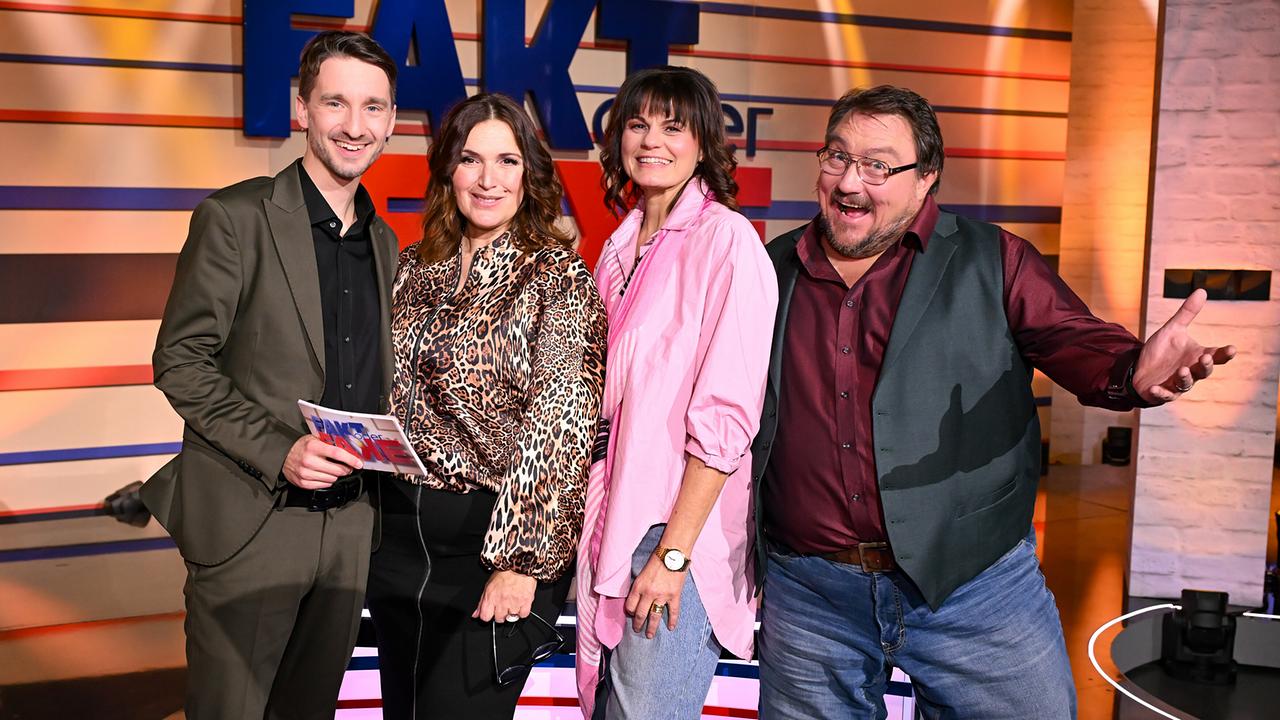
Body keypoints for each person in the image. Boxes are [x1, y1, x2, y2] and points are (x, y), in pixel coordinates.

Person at [751, 85, 1237, 719]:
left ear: (927, 177)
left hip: (976, 588)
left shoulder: (994, 259)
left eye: (877, 165)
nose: (849, 182)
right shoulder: (771, 268)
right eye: (837, 157)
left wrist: (1132, 368)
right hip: (811, 596)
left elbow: (1072, 340)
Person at [140, 31, 399, 719]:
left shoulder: (384, 241)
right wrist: (279, 450)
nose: (355, 125)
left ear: (391, 121)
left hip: (349, 530)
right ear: (301, 109)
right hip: (253, 521)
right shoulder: (235, 217)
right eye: (336, 103)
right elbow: (180, 361)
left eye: (373, 107)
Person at [365, 92, 606, 719]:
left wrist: (521, 562)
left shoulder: (557, 277)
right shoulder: (416, 267)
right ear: (449, 169)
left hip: (491, 543)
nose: (487, 179)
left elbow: (561, 425)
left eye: (507, 161)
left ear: (530, 175)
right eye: (471, 159)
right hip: (399, 539)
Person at [575, 66, 778, 719]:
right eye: (637, 124)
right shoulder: (618, 245)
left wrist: (673, 554)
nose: (651, 141)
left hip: (675, 530)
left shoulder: (727, 241)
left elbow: (728, 416)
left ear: (703, 142)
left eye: (673, 126)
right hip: (615, 518)